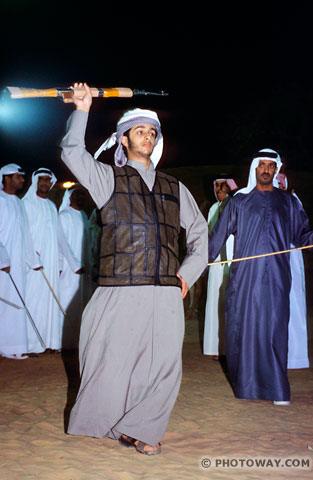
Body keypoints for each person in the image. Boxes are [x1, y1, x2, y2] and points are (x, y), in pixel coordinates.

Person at [60, 83, 208, 455]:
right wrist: (82, 108)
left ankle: (146, 430)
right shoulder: (107, 178)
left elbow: (200, 234)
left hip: (164, 291)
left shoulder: (174, 187)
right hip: (119, 289)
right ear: (123, 140)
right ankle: (117, 423)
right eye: (140, 131)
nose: (147, 136)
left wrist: (187, 274)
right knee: (110, 362)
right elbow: (72, 152)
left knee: (164, 366)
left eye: (152, 132)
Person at [208, 148, 313, 406]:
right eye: (262, 165)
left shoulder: (289, 203)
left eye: (271, 165)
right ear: (255, 169)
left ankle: (278, 388)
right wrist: (193, 268)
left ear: (276, 169)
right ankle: (247, 386)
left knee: (275, 330)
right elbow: (215, 241)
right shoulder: (238, 202)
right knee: (245, 331)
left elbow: (303, 237)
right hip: (245, 279)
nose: (267, 170)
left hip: (278, 279)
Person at [22, 168, 81, 354]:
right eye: (42, 180)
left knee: (49, 303)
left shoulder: (51, 206)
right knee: (33, 301)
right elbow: (23, 235)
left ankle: (48, 343)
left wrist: (62, 263)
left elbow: (60, 238)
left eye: (48, 180)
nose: (45, 183)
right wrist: (32, 259)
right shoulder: (26, 204)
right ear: (35, 182)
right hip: (32, 263)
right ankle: (31, 344)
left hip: (51, 262)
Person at [0, 164, 41, 359]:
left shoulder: (18, 202)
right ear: (6, 178)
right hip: (3, 264)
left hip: (16, 264)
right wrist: (3, 259)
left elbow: (26, 235)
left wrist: (33, 261)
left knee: (17, 304)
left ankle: (15, 346)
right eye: (18, 177)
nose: (22, 180)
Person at [276, 173, 309, 369]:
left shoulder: (292, 201)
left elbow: (303, 233)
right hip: (269, 261)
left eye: (281, 182)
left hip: (292, 261)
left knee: (293, 304)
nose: (278, 185)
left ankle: (294, 357)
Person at [203, 177, 238, 360]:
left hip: (233, 261)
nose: (219, 193)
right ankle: (217, 348)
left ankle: (230, 348)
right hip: (217, 263)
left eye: (223, 190)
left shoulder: (237, 206)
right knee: (216, 302)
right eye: (217, 190)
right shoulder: (213, 209)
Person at [59, 185, 93, 349]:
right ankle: (63, 341)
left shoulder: (84, 216)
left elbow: (88, 243)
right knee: (67, 302)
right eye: (77, 194)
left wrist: (89, 263)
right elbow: (62, 243)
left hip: (84, 269)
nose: (80, 197)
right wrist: (75, 265)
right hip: (69, 268)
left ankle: (76, 340)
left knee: (81, 305)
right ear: (70, 197)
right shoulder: (64, 216)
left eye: (83, 194)